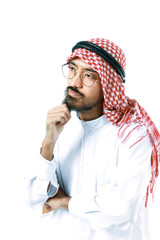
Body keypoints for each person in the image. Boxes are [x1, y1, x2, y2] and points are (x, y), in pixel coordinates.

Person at [26, 38, 160, 240]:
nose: (74, 82)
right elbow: (32, 198)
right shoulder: (60, 128)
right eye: (72, 69)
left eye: (88, 75)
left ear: (108, 84)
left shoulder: (133, 135)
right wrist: (48, 144)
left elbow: (122, 211)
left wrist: (64, 202)